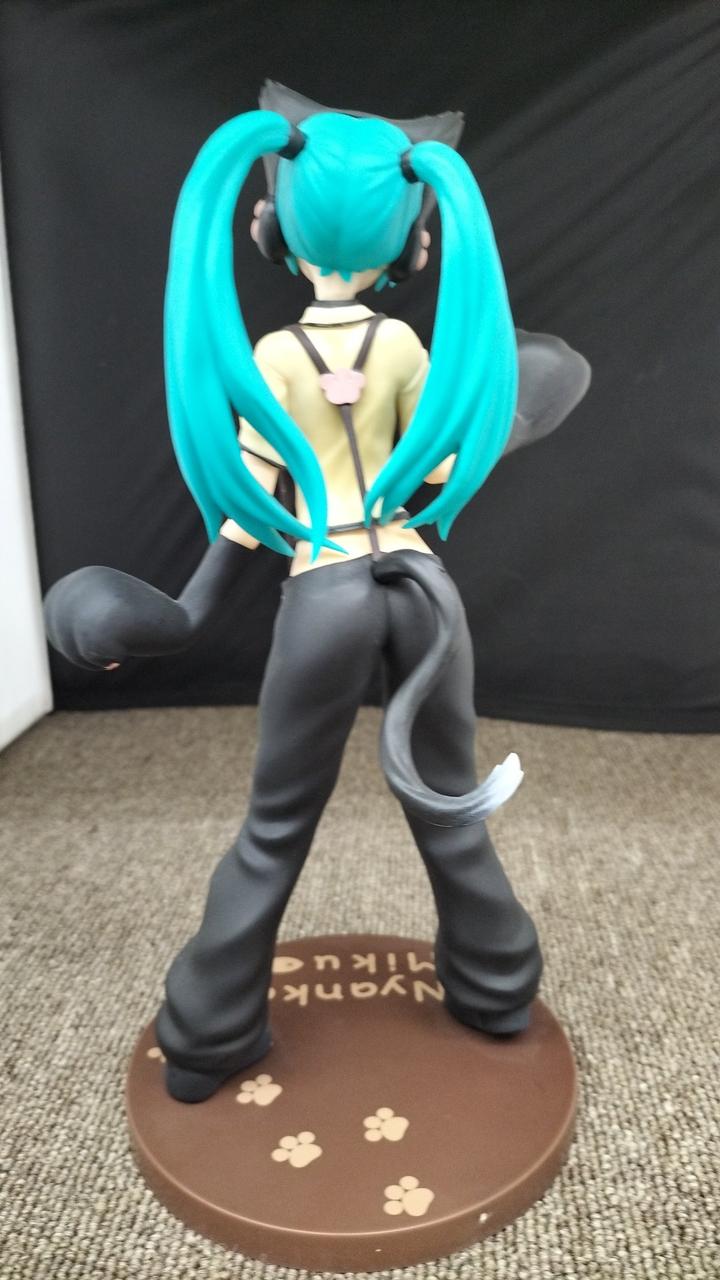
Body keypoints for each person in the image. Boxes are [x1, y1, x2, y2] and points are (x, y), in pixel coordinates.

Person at [44, 83, 590, 1102]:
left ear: (270, 228)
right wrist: (511, 411)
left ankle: (208, 1032)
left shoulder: (272, 358)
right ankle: (497, 988)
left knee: (276, 826)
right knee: (452, 807)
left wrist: (185, 612)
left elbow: (253, 513)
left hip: (325, 582)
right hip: (422, 585)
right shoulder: (402, 348)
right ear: (415, 244)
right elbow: (439, 466)